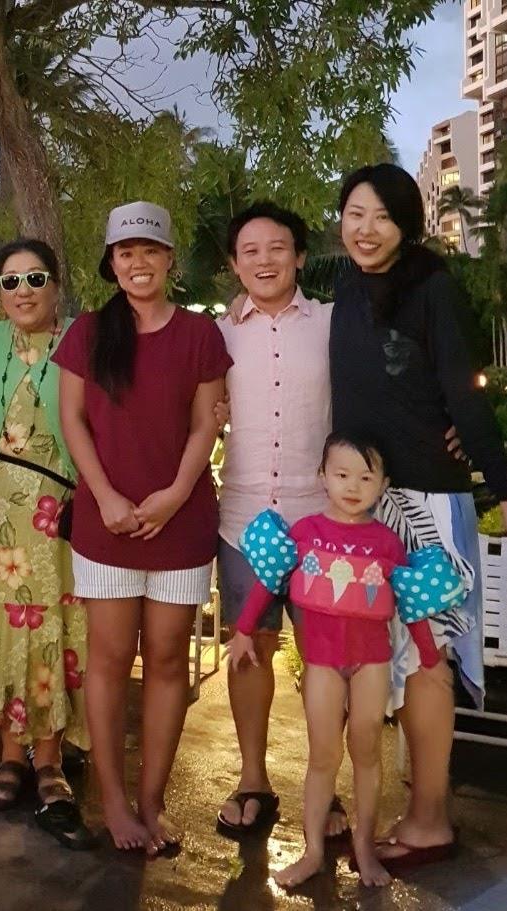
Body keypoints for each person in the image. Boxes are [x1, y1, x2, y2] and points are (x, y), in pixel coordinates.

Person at [330, 163, 507, 872]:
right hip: (364, 506)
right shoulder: (342, 290)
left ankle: (431, 818)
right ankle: (413, 801)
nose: (364, 229)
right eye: (353, 213)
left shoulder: (432, 288)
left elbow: (464, 392)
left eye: (381, 216)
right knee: (389, 667)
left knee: (428, 664)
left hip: (427, 503)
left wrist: (499, 479)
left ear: (407, 225)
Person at [53, 201, 231, 855]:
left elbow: (204, 422)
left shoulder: (198, 336)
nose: (137, 262)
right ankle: (112, 800)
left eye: (149, 251)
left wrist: (174, 493)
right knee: (106, 660)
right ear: (111, 262)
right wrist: (102, 496)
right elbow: (72, 420)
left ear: (168, 260)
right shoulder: (87, 333)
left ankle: (153, 800)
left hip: (178, 524)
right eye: (124, 252)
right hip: (107, 523)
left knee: (164, 661)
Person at [229, 433, 457, 888]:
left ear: (382, 484)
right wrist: (241, 630)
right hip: (323, 663)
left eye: (366, 477)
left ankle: (366, 849)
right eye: (341, 475)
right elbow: (267, 579)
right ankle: (312, 851)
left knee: (366, 751)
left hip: (371, 662)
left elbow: (411, 606)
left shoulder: (388, 543)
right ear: (323, 477)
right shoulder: (306, 532)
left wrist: (429, 657)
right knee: (322, 755)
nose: (353, 486)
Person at [0, 238, 93, 850]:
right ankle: (10, 754)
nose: (23, 291)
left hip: (61, 507)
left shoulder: (83, 340)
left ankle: (50, 759)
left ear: (56, 285)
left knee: (56, 626)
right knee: (5, 628)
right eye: (9, 282)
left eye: (34, 279)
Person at [213, 202, 352, 838]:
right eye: (250, 250)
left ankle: (327, 789)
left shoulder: (331, 324)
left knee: (328, 661)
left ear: (299, 255)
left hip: (322, 519)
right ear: (234, 264)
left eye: (278, 248)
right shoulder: (217, 335)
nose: (264, 260)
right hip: (243, 519)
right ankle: (252, 780)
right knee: (251, 651)